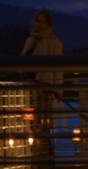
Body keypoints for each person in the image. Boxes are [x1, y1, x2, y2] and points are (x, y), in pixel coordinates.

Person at [21, 10, 64, 152]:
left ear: (48, 24)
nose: (39, 24)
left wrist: (58, 90)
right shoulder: (30, 40)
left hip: (44, 87)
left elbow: (58, 69)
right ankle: (32, 149)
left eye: (43, 22)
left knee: (43, 121)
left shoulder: (54, 42)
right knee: (29, 120)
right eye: (37, 21)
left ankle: (45, 150)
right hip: (28, 86)